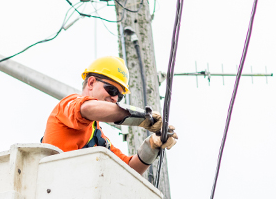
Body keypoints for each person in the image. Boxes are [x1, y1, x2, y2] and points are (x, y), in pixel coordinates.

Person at [43, 56, 178, 175]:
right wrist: (143, 117)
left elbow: (129, 168)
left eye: (119, 97)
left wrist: (152, 146)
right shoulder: (69, 104)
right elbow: (87, 108)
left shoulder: (96, 135)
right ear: (91, 83)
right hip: (54, 192)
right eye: (111, 90)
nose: (114, 98)